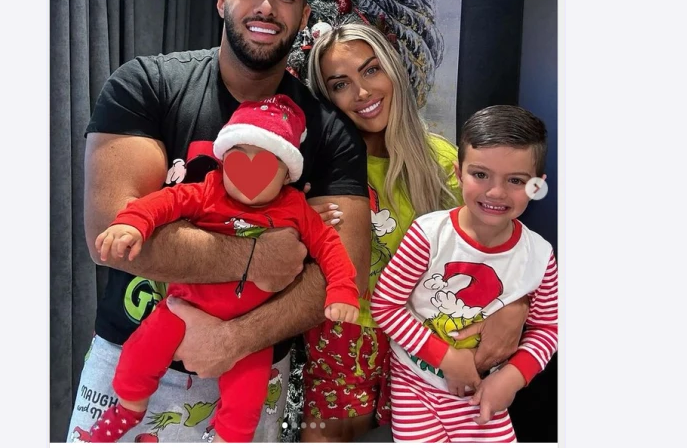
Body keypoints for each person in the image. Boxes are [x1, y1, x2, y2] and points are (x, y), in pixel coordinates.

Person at [67, 0, 371, 443]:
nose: (266, 6)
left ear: (303, 16)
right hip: (133, 361)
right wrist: (258, 257)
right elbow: (111, 234)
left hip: (254, 367)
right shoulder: (147, 85)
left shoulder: (329, 132)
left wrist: (235, 338)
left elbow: (345, 269)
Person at [81, 95, 361, 443]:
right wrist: (132, 223)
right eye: (237, 160)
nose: (248, 175)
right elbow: (165, 201)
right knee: (138, 357)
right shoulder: (209, 190)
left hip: (253, 330)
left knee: (245, 406)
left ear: (286, 174)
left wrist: (342, 289)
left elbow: (330, 245)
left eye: (265, 164)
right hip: (183, 309)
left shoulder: (295, 207)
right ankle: (128, 409)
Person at [298, 23, 530, 442]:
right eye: (340, 84)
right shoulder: (320, 170)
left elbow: (501, 250)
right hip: (345, 337)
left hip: (432, 339)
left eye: (371, 70)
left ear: (392, 70)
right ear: (326, 97)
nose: (362, 92)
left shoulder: (442, 162)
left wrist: (516, 306)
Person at [369, 105, 559, 443]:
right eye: (481, 175)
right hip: (416, 385)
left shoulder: (540, 256)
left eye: (515, 180)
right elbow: (386, 306)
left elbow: (548, 329)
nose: (496, 192)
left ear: (536, 187)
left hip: (482, 391)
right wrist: (446, 358)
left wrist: (512, 378)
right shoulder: (428, 235)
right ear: (458, 173)